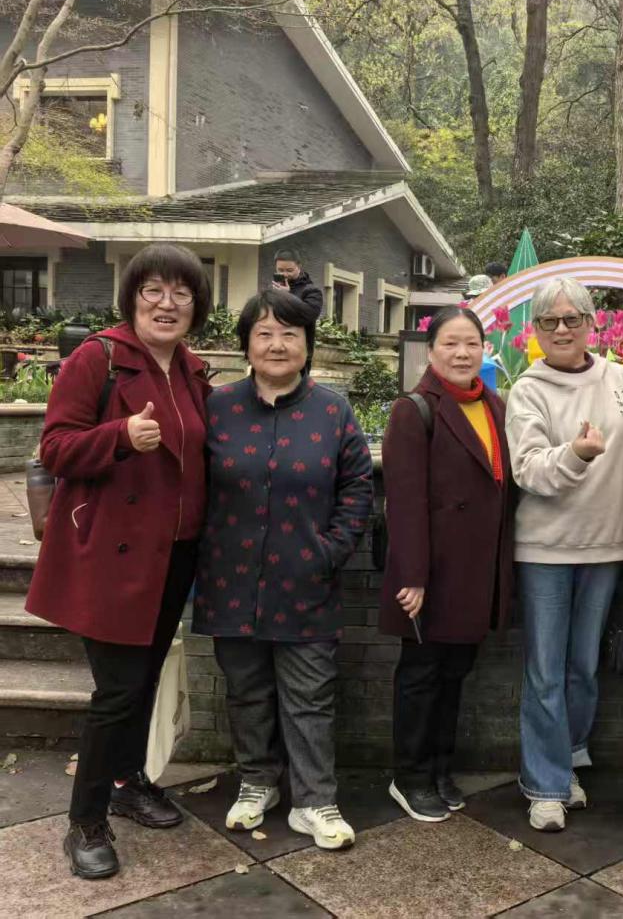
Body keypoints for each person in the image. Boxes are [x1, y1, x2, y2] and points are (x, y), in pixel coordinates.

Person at [26, 243, 213, 879]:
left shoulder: (192, 371)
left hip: (174, 556)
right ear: (132, 297)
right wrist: (120, 437)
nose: (167, 303)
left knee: (146, 678)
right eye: (153, 290)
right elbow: (55, 446)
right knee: (118, 690)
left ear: (197, 305)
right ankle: (85, 821)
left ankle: (128, 782)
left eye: (181, 292)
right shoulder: (97, 358)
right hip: (112, 557)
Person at [192, 288, 373, 851]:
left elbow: (357, 488)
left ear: (307, 346)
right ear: (246, 344)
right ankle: (257, 782)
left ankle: (315, 800)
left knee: (310, 696)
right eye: (264, 333)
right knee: (246, 691)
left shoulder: (332, 411)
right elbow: (188, 484)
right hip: (230, 578)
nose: (277, 344)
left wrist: (328, 551)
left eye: (290, 334)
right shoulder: (217, 407)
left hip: (306, 582)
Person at [505, 276, 623, 832]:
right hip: (546, 550)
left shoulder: (620, 378)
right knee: (544, 670)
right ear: (535, 330)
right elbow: (529, 469)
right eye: (549, 321)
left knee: (584, 667)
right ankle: (544, 784)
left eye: (572, 318)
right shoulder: (527, 390)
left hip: (608, 547)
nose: (562, 329)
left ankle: (570, 756)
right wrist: (577, 454)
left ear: (591, 323)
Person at [380, 305, 515, 823]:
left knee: (455, 674)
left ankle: (438, 769)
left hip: (476, 571)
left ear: (484, 349)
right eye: (450, 344)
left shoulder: (495, 405)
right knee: (421, 676)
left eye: (471, 343)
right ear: (431, 351)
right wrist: (413, 577)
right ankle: (409, 776)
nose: (462, 353)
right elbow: (405, 501)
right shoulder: (414, 409)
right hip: (432, 573)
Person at [272, 248, 323, 322]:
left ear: (299, 267)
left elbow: (310, 315)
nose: (285, 274)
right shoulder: (273, 289)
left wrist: (287, 295)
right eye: (280, 270)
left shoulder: (312, 291)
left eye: (289, 270)